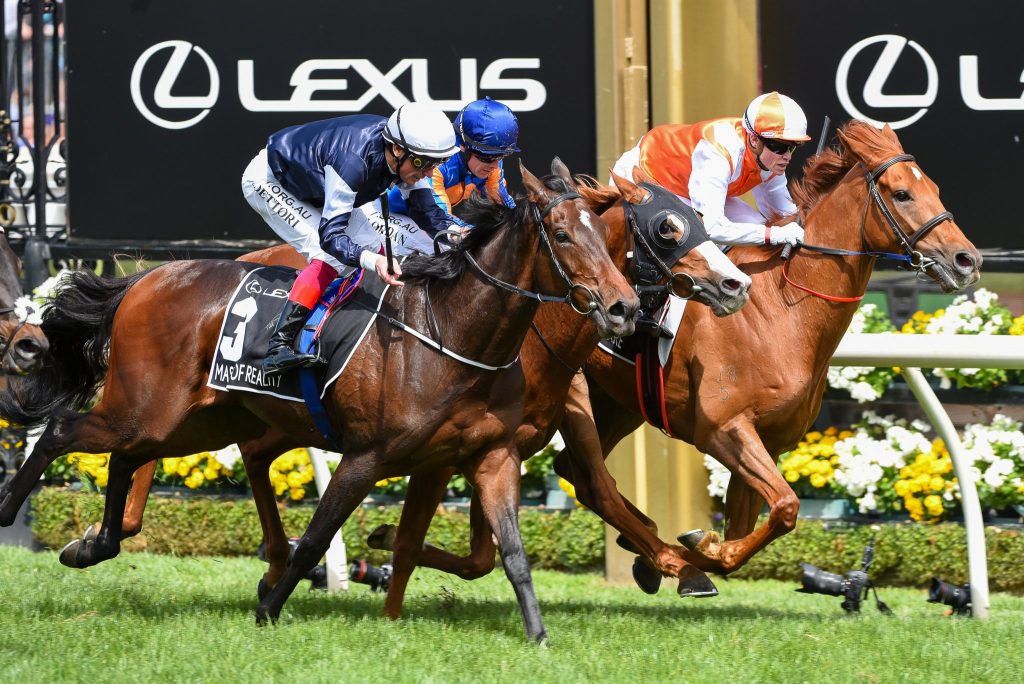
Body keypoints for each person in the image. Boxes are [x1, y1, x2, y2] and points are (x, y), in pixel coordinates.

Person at [241, 102, 460, 376]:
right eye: (423, 163)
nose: (429, 172)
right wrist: (372, 260)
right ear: (397, 150)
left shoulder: (406, 155)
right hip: (271, 180)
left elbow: (426, 210)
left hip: (316, 183)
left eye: (436, 164)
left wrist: (455, 234)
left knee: (376, 246)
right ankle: (277, 347)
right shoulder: (353, 162)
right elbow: (331, 237)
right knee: (329, 256)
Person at [612, 91, 810, 249]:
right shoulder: (718, 152)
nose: (787, 156)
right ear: (753, 139)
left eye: (792, 147)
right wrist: (773, 235)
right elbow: (711, 228)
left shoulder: (772, 158)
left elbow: (785, 215)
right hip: (644, 177)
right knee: (702, 245)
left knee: (756, 224)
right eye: (780, 146)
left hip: (691, 188)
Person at [346, 97, 520, 248]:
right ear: (463, 146)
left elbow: (507, 212)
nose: (495, 165)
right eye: (487, 157)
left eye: (501, 156)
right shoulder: (437, 167)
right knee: (447, 247)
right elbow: (439, 217)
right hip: (385, 211)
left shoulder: (492, 165)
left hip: (423, 218)